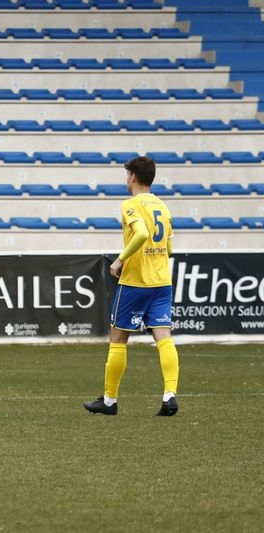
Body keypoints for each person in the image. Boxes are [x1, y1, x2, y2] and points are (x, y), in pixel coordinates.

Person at [83, 156, 180, 416]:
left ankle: (110, 401)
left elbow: (141, 234)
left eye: (127, 175)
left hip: (136, 282)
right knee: (163, 338)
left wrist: (120, 260)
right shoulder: (162, 205)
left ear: (133, 177)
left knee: (118, 339)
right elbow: (169, 247)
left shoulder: (130, 205)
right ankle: (170, 395)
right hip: (161, 281)